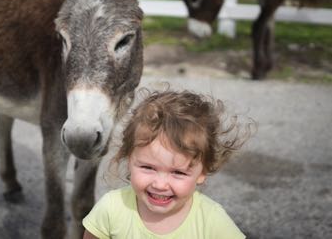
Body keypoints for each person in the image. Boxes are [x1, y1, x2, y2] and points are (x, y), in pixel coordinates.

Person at [83, 89, 252, 239]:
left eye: (178, 172)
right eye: (148, 167)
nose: (160, 184)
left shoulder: (211, 220)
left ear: (202, 173)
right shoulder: (112, 208)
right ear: (129, 159)